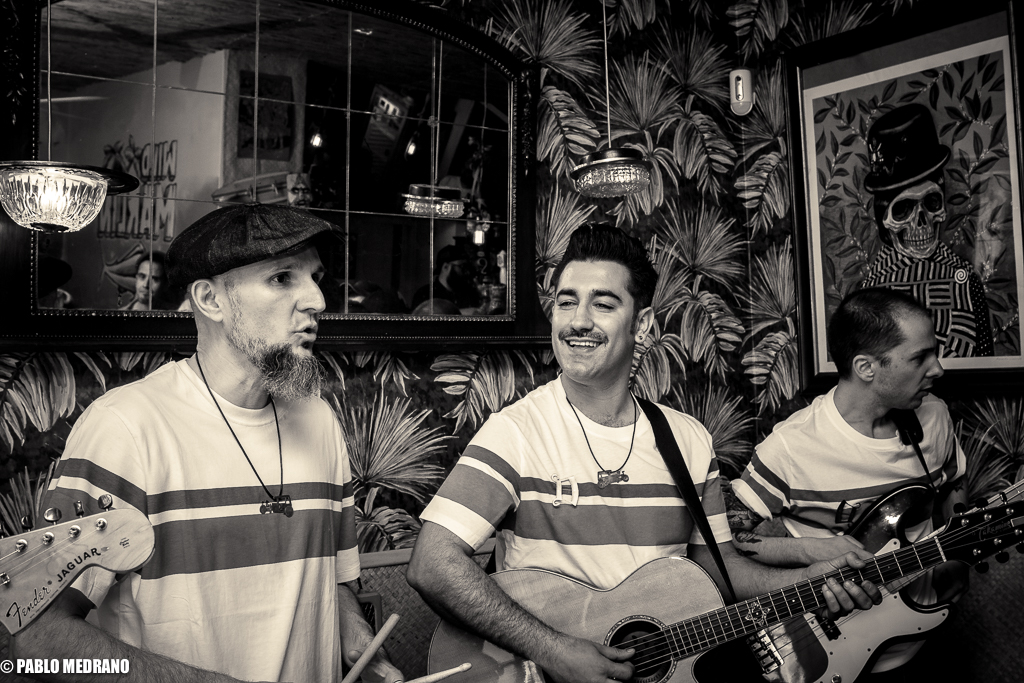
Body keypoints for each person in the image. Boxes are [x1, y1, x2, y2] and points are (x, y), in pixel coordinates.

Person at [407, 224, 881, 683]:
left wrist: (810, 579)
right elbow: (431, 563)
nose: (578, 321)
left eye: (603, 304)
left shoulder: (687, 440)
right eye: (566, 301)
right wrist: (553, 650)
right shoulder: (516, 431)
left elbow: (720, 573)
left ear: (643, 324)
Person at [15, 204, 404, 683]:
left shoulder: (319, 419)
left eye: (315, 277)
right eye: (282, 278)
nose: (318, 301)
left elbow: (334, 582)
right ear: (210, 299)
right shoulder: (125, 428)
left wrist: (362, 648)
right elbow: (38, 639)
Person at [729, 287, 969, 679]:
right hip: (833, 649)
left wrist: (958, 548)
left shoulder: (934, 417)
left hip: (923, 633)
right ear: (866, 367)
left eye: (935, 352)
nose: (937, 369)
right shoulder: (791, 446)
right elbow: (729, 541)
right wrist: (810, 550)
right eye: (919, 357)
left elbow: (954, 481)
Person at [858, 103, 993, 357]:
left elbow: (984, 361)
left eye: (931, 202)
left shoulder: (965, 279)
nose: (921, 222)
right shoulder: (869, 293)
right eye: (903, 209)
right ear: (885, 218)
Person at [410, 244, 480, 313]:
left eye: (467, 267)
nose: (467, 272)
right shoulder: (425, 294)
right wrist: (460, 313)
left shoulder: (469, 293)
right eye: (462, 267)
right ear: (445, 267)